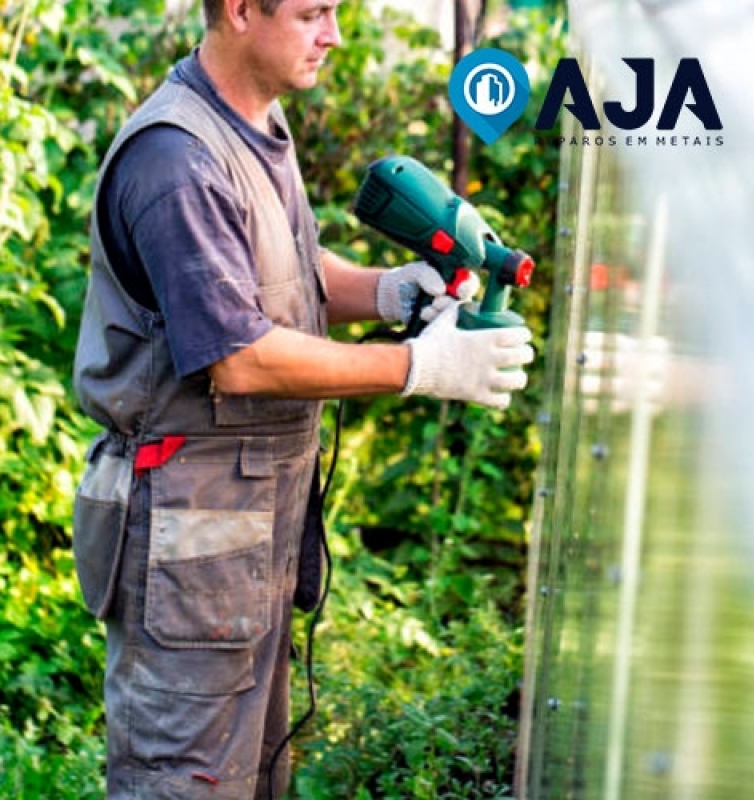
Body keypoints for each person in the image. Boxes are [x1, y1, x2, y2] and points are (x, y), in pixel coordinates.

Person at [71, 0, 535, 797]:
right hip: (191, 527)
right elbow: (239, 358)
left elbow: (278, 265)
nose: (334, 34)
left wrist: (388, 294)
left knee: (253, 777)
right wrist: (416, 369)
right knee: (185, 781)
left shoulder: (254, 122)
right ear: (243, 11)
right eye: (313, 12)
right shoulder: (176, 160)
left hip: (245, 527)